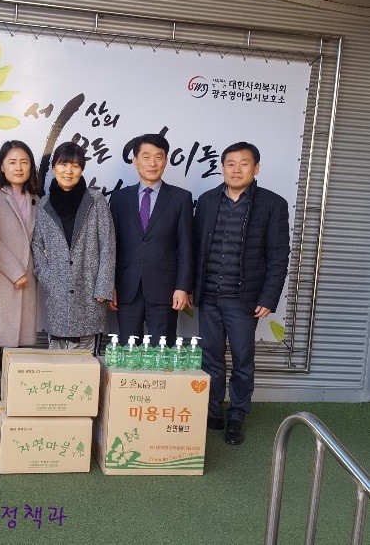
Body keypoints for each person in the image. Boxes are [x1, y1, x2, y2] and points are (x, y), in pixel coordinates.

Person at [193, 141, 290, 445]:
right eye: (230, 164)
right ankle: (212, 411)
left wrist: (268, 297)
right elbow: (196, 249)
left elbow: (278, 256)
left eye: (244, 163)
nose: (236, 169)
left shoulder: (272, 204)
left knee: (243, 360)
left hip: (243, 300)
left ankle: (236, 414)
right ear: (222, 168)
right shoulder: (207, 201)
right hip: (209, 296)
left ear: (256, 168)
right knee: (210, 358)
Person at [0, 141, 40, 422]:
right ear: (1, 165)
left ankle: (12, 397)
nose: (18, 167)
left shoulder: (37, 198)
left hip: (27, 279)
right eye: (12, 162)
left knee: (18, 345)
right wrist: (15, 272)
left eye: (24, 162)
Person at [109, 133, 194, 346]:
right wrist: (110, 286)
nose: (152, 163)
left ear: (166, 160)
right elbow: (112, 246)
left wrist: (182, 287)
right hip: (127, 289)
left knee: (162, 353)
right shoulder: (119, 198)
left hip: (165, 290)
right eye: (146, 157)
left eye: (158, 156)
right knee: (128, 352)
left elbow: (186, 248)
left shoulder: (181, 198)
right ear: (135, 161)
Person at [32, 142, 115, 352]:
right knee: (58, 362)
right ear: (53, 168)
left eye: (75, 166)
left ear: (82, 170)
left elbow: (108, 244)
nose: (68, 171)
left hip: (90, 291)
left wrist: (103, 287)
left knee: (87, 361)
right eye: (63, 164)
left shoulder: (95, 200)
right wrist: (48, 278)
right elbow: (37, 245)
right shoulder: (44, 204)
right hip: (57, 294)